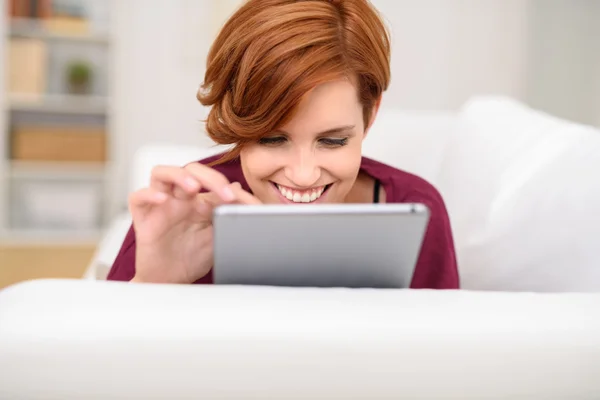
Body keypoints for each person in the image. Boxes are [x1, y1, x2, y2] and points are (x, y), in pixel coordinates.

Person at [107, 0, 459, 289]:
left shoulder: (417, 208)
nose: (303, 175)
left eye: (333, 141)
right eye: (272, 139)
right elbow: (105, 367)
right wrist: (154, 283)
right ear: (236, 120)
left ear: (371, 115)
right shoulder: (182, 210)